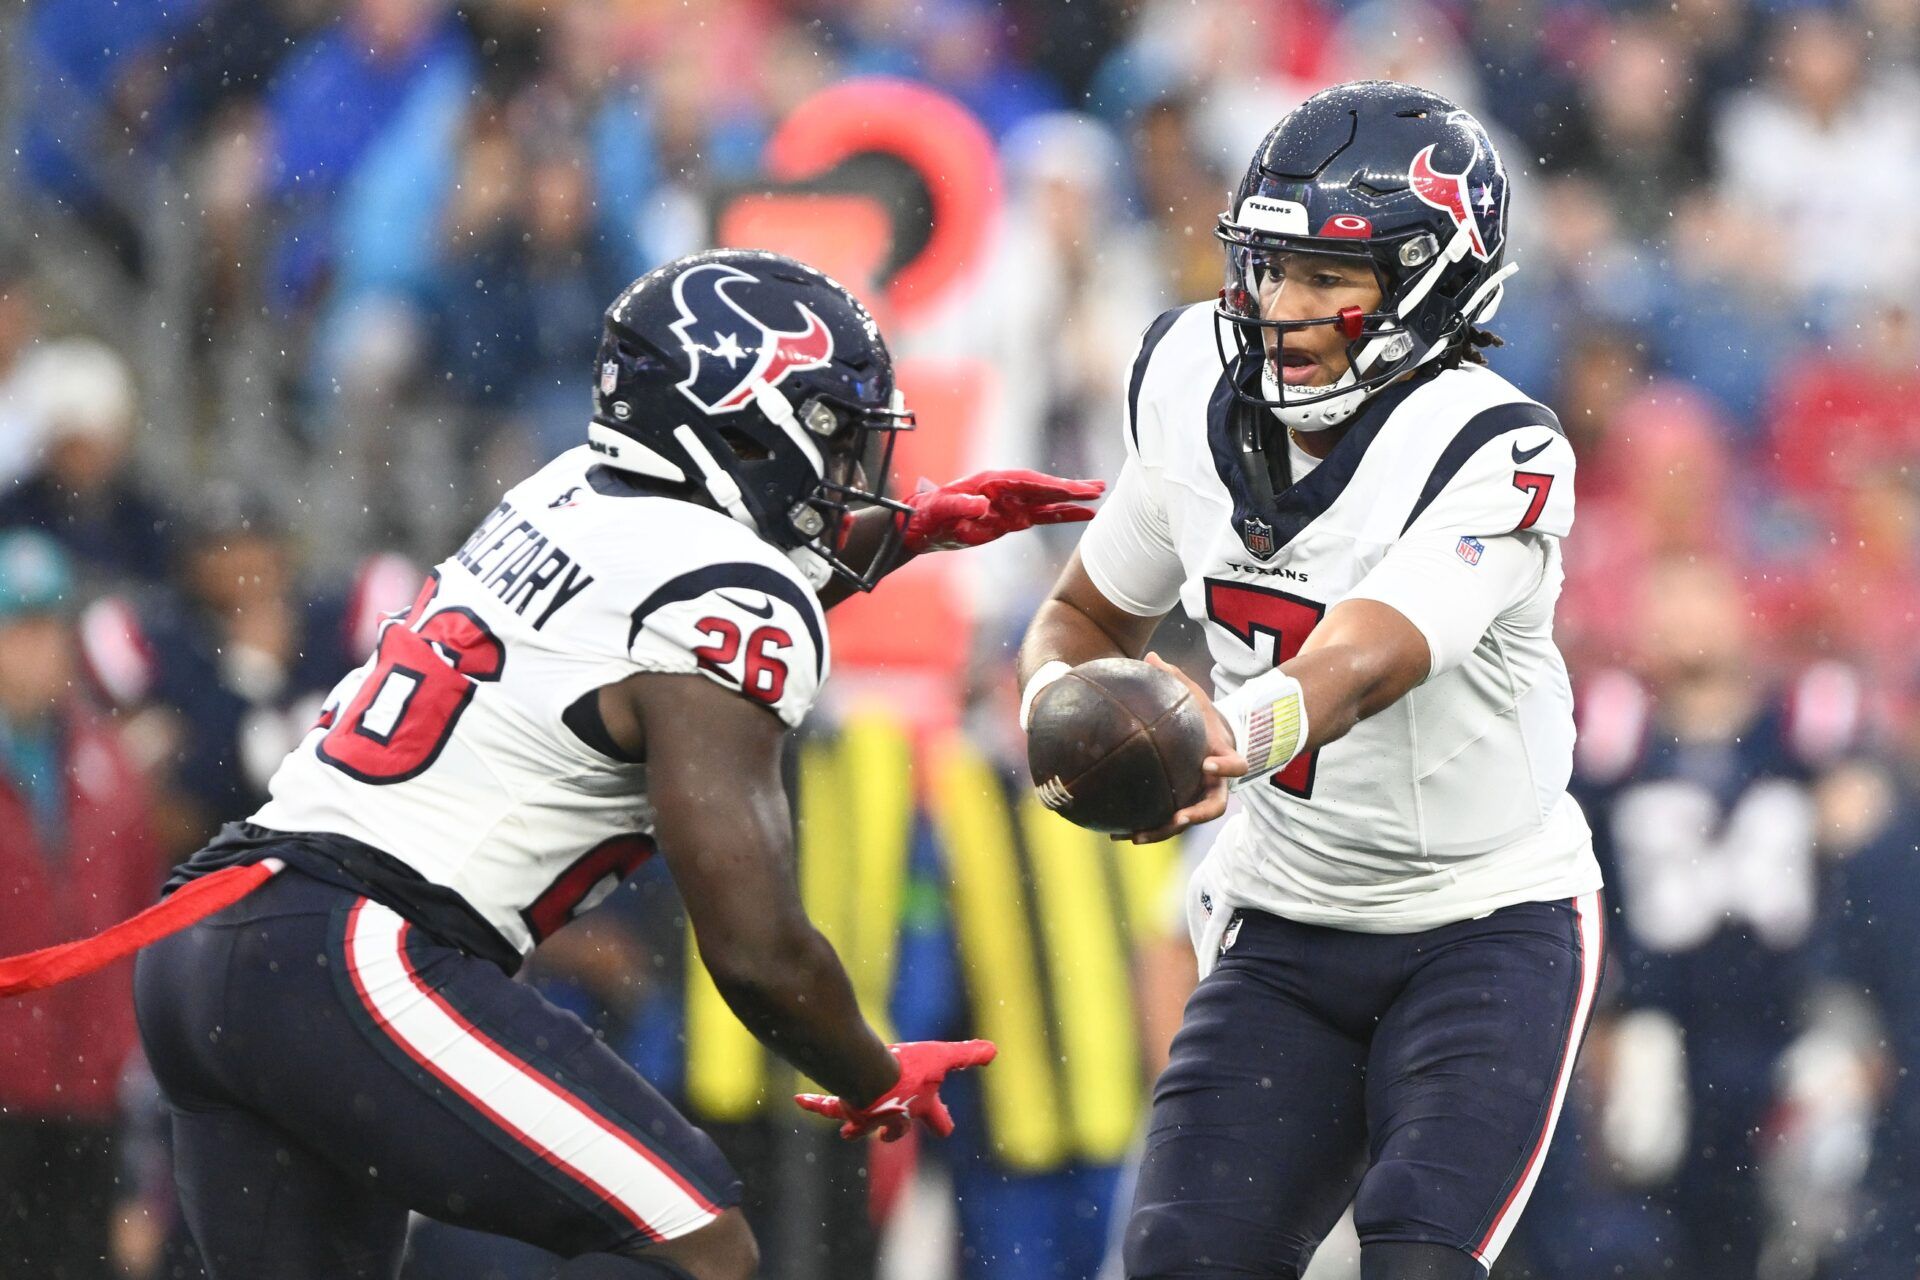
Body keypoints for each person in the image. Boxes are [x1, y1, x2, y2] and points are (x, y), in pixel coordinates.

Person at [128, 250, 1102, 1280]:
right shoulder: (729, 594)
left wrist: (905, 536)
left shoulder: (566, 488)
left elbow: (662, 615)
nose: (846, 471)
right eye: (826, 436)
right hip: (355, 956)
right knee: (698, 1241)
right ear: (741, 428)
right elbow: (759, 950)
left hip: (216, 932)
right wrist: (874, 1071)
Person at [1016, 81, 1603, 1280]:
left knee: (1419, 1257)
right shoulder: (1190, 382)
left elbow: (1365, 654)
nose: (1280, 308)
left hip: (1484, 922)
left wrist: (1224, 729)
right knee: (1184, 1259)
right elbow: (1080, 614)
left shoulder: (1497, 444)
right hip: (1286, 919)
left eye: (1328, 278)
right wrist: (1061, 721)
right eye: (1268, 268)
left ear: (1430, 285)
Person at [0, 530, 164, 1279]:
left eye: (48, 627)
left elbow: (139, 933)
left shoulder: (109, 766)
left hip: (88, 1101)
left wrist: (141, 1158)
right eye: (17, 628)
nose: (37, 649)